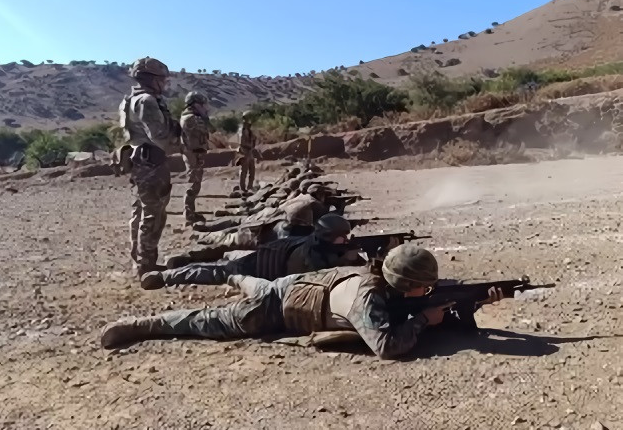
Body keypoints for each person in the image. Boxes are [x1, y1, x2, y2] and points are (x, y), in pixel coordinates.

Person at [101, 244, 504, 358]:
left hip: (286, 285)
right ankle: (143, 324)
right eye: (425, 287)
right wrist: (424, 322)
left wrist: (475, 301)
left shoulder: (384, 283)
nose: (429, 293)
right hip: (271, 309)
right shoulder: (367, 297)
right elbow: (387, 346)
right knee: (206, 321)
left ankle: (237, 276)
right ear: (405, 283)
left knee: (251, 281)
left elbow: (410, 306)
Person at [141, 213, 362, 289]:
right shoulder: (308, 257)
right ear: (328, 237)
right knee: (217, 272)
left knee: (226, 254)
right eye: (342, 238)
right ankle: (166, 276)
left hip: (269, 251)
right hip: (258, 268)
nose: (345, 241)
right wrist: (349, 261)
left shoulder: (318, 244)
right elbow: (321, 277)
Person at [118, 57, 181, 277]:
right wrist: (178, 139)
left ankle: (140, 260)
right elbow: (160, 137)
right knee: (153, 214)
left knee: (141, 211)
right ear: (151, 79)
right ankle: (147, 264)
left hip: (140, 160)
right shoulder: (146, 101)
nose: (164, 84)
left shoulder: (130, 100)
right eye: (162, 79)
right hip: (151, 160)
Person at [180, 91, 211, 225]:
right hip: (192, 154)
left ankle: (191, 212)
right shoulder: (190, 119)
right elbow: (206, 130)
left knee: (196, 184)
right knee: (193, 184)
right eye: (202, 104)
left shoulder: (193, 117)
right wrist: (205, 118)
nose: (205, 107)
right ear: (195, 104)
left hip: (196, 152)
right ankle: (188, 214)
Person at [237, 110, 257, 193]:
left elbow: (253, 139)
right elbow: (242, 142)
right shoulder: (242, 129)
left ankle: (250, 186)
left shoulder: (249, 129)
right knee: (244, 170)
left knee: (252, 170)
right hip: (244, 151)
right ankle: (242, 188)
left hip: (249, 151)